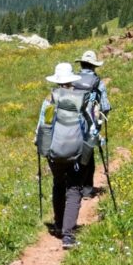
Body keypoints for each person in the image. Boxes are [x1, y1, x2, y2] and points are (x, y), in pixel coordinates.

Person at [35, 62, 93, 249]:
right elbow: (88, 126)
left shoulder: (50, 100)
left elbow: (42, 126)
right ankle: (68, 235)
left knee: (58, 184)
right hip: (75, 153)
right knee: (74, 188)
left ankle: (59, 224)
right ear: (71, 80)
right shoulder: (81, 99)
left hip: (55, 153)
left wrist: (39, 144)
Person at [74, 49, 111, 193]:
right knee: (88, 157)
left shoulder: (72, 79)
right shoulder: (98, 82)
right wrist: (99, 122)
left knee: (74, 154)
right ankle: (87, 189)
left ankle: (73, 187)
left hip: (71, 123)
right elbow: (105, 106)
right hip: (89, 124)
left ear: (82, 64)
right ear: (94, 66)